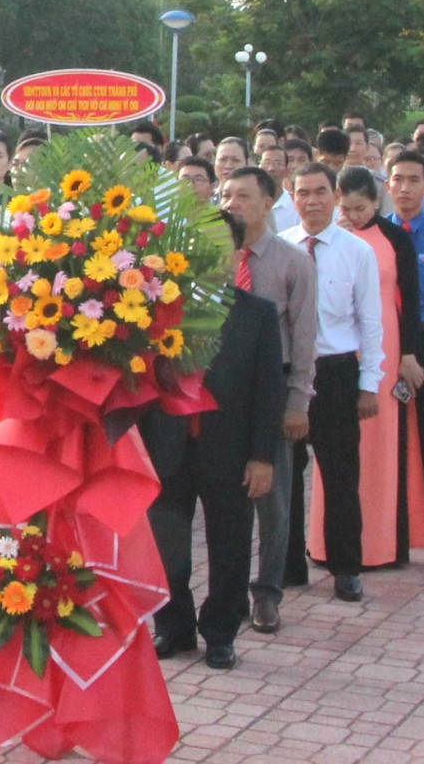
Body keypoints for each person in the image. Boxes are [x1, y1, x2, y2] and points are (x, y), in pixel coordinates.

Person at [146, 211, 284, 671]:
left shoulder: (258, 314)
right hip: (169, 446)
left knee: (230, 546)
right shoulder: (159, 307)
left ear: (238, 254)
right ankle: (173, 626)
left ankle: (221, 634)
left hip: (230, 450)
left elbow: (269, 391)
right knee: (167, 543)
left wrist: (263, 456)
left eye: (220, 246)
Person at [220, 166, 318, 634]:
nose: (232, 204)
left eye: (243, 196)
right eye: (226, 195)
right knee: (227, 496)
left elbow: (304, 337)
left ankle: (268, 593)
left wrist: (298, 401)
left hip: (273, 386)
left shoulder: (292, 262)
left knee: (273, 499)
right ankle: (230, 591)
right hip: (223, 391)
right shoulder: (210, 256)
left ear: (268, 202)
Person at [280, 163, 383, 602]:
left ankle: (346, 568)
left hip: (336, 371)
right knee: (285, 476)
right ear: (292, 197)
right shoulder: (281, 247)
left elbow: (371, 322)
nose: (312, 201)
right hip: (288, 374)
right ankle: (287, 566)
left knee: (340, 475)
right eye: (303, 193)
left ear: (335, 196)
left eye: (320, 192)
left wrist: (369, 383)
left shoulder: (357, 252)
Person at [323, 166, 424, 568]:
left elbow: (413, 299)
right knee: (338, 446)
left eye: (361, 208)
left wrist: (409, 353)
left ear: (376, 201)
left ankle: (382, 543)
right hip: (336, 347)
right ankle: (330, 544)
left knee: (381, 443)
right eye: (347, 208)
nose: (354, 216)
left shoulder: (396, 238)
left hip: (384, 345)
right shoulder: (330, 238)